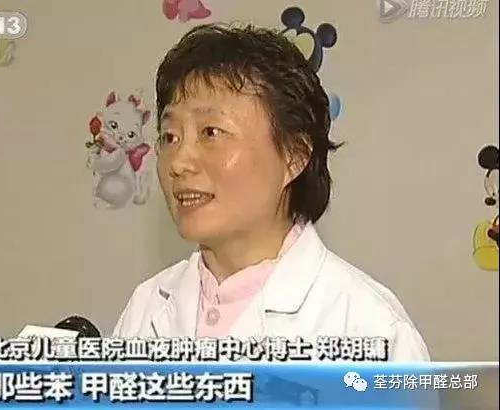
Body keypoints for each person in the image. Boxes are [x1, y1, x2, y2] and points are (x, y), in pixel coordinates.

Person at [113, 23, 430, 361]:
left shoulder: (372, 330)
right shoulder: (146, 308)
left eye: (210, 132)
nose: (178, 162)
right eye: (169, 137)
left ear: (294, 155)